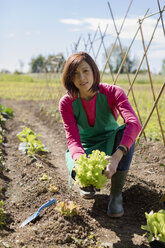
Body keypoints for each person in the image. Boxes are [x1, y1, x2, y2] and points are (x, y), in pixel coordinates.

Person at [59, 52, 142, 218]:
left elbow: (134, 124)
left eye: (85, 71)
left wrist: (117, 156)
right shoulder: (67, 102)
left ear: (94, 71)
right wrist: (80, 161)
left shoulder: (113, 92)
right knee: (76, 166)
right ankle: (87, 184)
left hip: (111, 142)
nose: (81, 78)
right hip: (86, 147)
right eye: (75, 74)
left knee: (126, 133)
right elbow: (73, 139)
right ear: (70, 78)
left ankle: (116, 195)